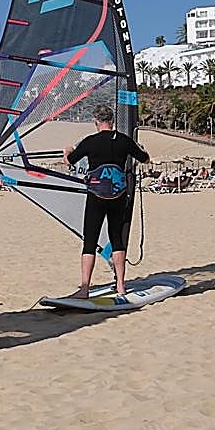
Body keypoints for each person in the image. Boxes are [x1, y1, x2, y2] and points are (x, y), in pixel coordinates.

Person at [63, 104, 150, 298]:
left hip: (96, 197)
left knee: (90, 241)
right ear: (112, 121)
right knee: (117, 239)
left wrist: (67, 151)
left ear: (96, 122)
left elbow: (70, 161)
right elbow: (145, 158)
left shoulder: (90, 142)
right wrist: (141, 151)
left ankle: (84, 288)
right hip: (118, 197)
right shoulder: (124, 141)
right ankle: (120, 285)